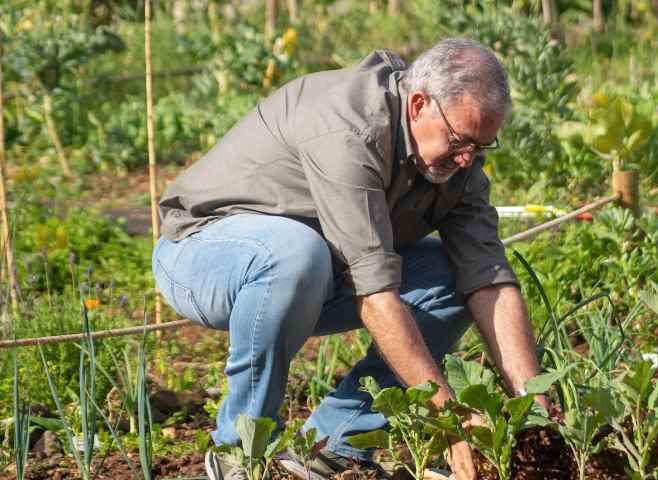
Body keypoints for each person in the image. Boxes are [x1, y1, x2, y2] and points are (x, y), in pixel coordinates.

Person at [152, 37, 546, 480]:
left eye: (481, 146)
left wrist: (533, 406)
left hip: (316, 271)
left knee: (451, 273)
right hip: (204, 254)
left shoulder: (460, 164)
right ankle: (242, 451)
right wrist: (447, 417)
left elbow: (489, 279)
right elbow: (375, 294)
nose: (468, 157)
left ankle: (336, 446)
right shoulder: (349, 129)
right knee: (295, 252)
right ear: (418, 106)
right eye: (460, 140)